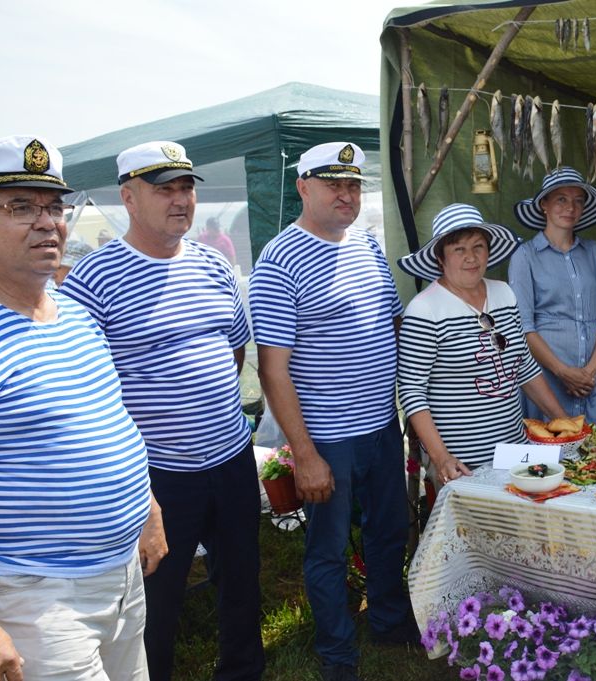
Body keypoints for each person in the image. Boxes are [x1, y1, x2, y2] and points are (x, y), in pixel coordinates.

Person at [0, 135, 163, 681]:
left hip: (119, 579)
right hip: (30, 595)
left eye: (53, 207)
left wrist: (147, 509)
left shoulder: (74, 314)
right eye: (20, 207)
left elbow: (111, 423)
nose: (48, 223)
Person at [59, 141, 263, 681]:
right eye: (163, 189)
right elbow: (81, 385)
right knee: (156, 596)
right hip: (157, 474)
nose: (181, 200)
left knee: (242, 576)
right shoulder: (93, 279)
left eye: (186, 187)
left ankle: (243, 670)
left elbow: (234, 348)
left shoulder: (215, 265)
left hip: (231, 456)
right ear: (127, 196)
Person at [249, 142, 413, 681]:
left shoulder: (366, 245)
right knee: (327, 551)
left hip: (381, 427)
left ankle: (389, 622)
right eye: (332, 184)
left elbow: (391, 324)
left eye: (354, 185)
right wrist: (305, 453)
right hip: (328, 440)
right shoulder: (279, 258)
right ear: (303, 187)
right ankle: (338, 653)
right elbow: (273, 368)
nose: (346, 195)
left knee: (389, 531)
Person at [398, 203, 571, 482]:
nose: (471, 257)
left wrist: (564, 423)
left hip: (515, 452)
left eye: (478, 247)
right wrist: (441, 457)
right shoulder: (425, 310)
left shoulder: (504, 294)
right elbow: (411, 389)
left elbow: (524, 367)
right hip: (461, 462)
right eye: (459, 249)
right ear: (440, 258)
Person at [508, 167, 596, 424]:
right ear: (543, 205)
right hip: (547, 375)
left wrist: (591, 371)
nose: (570, 207)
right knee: (552, 448)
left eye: (578, 200)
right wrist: (562, 372)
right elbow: (522, 326)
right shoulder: (525, 257)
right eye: (561, 199)